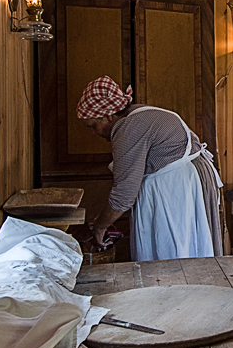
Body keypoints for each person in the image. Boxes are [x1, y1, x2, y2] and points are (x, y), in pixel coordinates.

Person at [76, 76, 223, 261]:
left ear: (107, 116)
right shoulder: (138, 114)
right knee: (187, 246)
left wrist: (100, 227)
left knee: (175, 252)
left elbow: (124, 194)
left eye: (93, 126)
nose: (93, 133)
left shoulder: (128, 127)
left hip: (177, 187)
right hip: (188, 178)